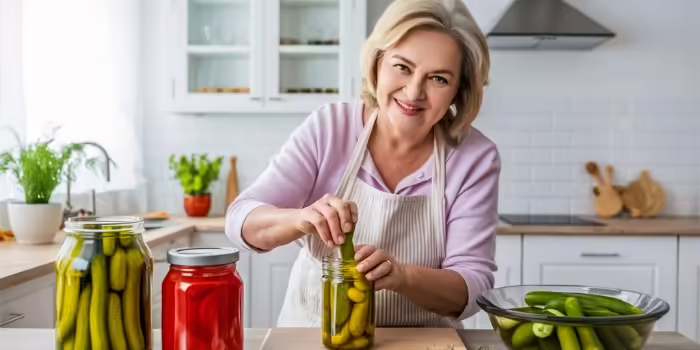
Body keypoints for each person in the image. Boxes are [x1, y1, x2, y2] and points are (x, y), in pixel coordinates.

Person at [226, 0, 499, 328]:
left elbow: (472, 287)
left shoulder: (474, 157)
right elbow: (240, 220)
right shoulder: (330, 128)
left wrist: (402, 276)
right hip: (311, 337)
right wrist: (300, 219)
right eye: (403, 67)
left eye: (438, 79)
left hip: (422, 342)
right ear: (378, 63)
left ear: (458, 91)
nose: (413, 92)